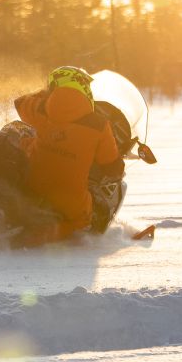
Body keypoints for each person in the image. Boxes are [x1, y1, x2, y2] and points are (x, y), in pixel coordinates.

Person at [14, 66, 124, 245]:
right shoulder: (99, 124)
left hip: (32, 186)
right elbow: (113, 168)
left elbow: (20, 103)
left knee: (16, 132)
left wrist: (44, 96)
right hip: (70, 203)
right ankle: (41, 238)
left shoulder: (42, 109)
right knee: (81, 218)